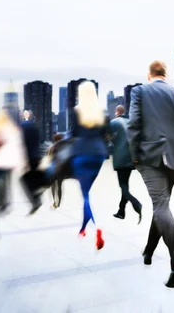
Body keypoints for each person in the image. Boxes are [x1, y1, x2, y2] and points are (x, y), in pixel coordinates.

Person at [127, 60, 174, 288]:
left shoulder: (139, 91)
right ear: (166, 75)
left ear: (149, 75)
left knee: (160, 206)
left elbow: (133, 125)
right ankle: (149, 251)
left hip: (150, 157)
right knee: (162, 206)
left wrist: (134, 156)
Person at [70, 81, 108, 250]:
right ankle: (83, 228)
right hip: (98, 155)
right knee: (87, 193)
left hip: (82, 154)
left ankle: (95, 226)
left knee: (85, 195)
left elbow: (73, 133)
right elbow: (106, 134)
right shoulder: (101, 112)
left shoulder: (77, 111)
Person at [0, 109, 27, 215]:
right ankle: (5, 204)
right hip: (9, 162)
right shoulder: (13, 129)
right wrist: (22, 161)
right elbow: (18, 147)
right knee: (6, 184)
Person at [109, 105, 142, 223]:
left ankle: (136, 203)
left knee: (122, 185)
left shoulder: (113, 122)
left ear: (117, 112)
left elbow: (106, 137)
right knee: (125, 185)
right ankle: (121, 211)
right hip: (131, 158)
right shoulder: (130, 122)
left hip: (120, 157)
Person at [20, 110, 44, 214]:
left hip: (28, 156)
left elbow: (22, 143)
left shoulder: (23, 126)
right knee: (35, 177)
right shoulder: (35, 126)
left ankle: (35, 201)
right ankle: (37, 195)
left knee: (25, 179)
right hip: (36, 156)